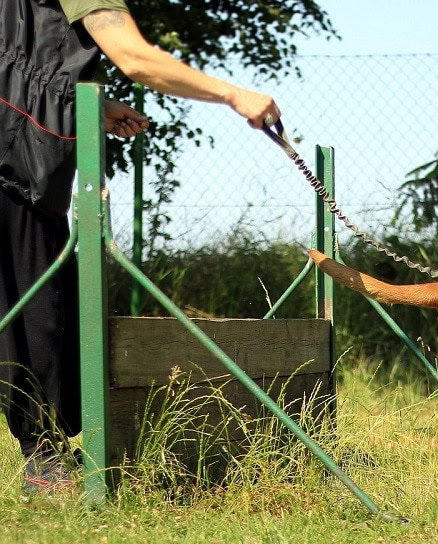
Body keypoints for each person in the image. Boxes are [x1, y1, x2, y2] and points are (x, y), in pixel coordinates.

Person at [0, 0, 281, 495]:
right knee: (37, 317)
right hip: (16, 169)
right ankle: (44, 462)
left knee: (39, 313)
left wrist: (90, 105)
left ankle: (46, 456)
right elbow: (135, 58)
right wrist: (235, 94)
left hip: (21, 157)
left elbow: (24, 61)